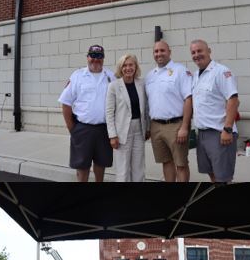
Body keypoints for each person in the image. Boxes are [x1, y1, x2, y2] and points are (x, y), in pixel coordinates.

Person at [59, 45, 115, 182]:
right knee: (82, 167)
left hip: (104, 129)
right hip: (83, 128)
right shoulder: (77, 76)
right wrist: (73, 129)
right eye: (93, 56)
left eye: (99, 56)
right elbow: (65, 103)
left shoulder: (111, 76)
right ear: (87, 57)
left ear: (103, 58)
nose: (96, 60)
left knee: (101, 164)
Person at [189, 39, 239, 183]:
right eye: (193, 52)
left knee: (223, 177)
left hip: (219, 133)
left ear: (209, 51)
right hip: (202, 134)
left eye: (200, 51)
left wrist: (227, 129)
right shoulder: (196, 75)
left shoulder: (221, 71)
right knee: (211, 173)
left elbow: (233, 99)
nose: (196, 55)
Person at [145, 41, 193, 182]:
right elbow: (149, 103)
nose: (159, 54)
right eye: (156, 51)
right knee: (166, 162)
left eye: (162, 50)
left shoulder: (180, 71)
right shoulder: (150, 76)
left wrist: (184, 126)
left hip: (176, 125)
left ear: (169, 52)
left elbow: (188, 99)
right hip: (156, 126)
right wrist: (148, 128)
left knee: (181, 164)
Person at [106, 53, 150, 182]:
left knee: (139, 167)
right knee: (123, 168)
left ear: (136, 67)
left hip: (139, 130)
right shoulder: (113, 86)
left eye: (131, 65)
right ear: (120, 68)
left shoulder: (141, 84)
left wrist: (148, 128)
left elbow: (146, 108)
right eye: (124, 65)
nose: (128, 68)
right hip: (122, 132)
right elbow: (109, 112)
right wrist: (112, 135)